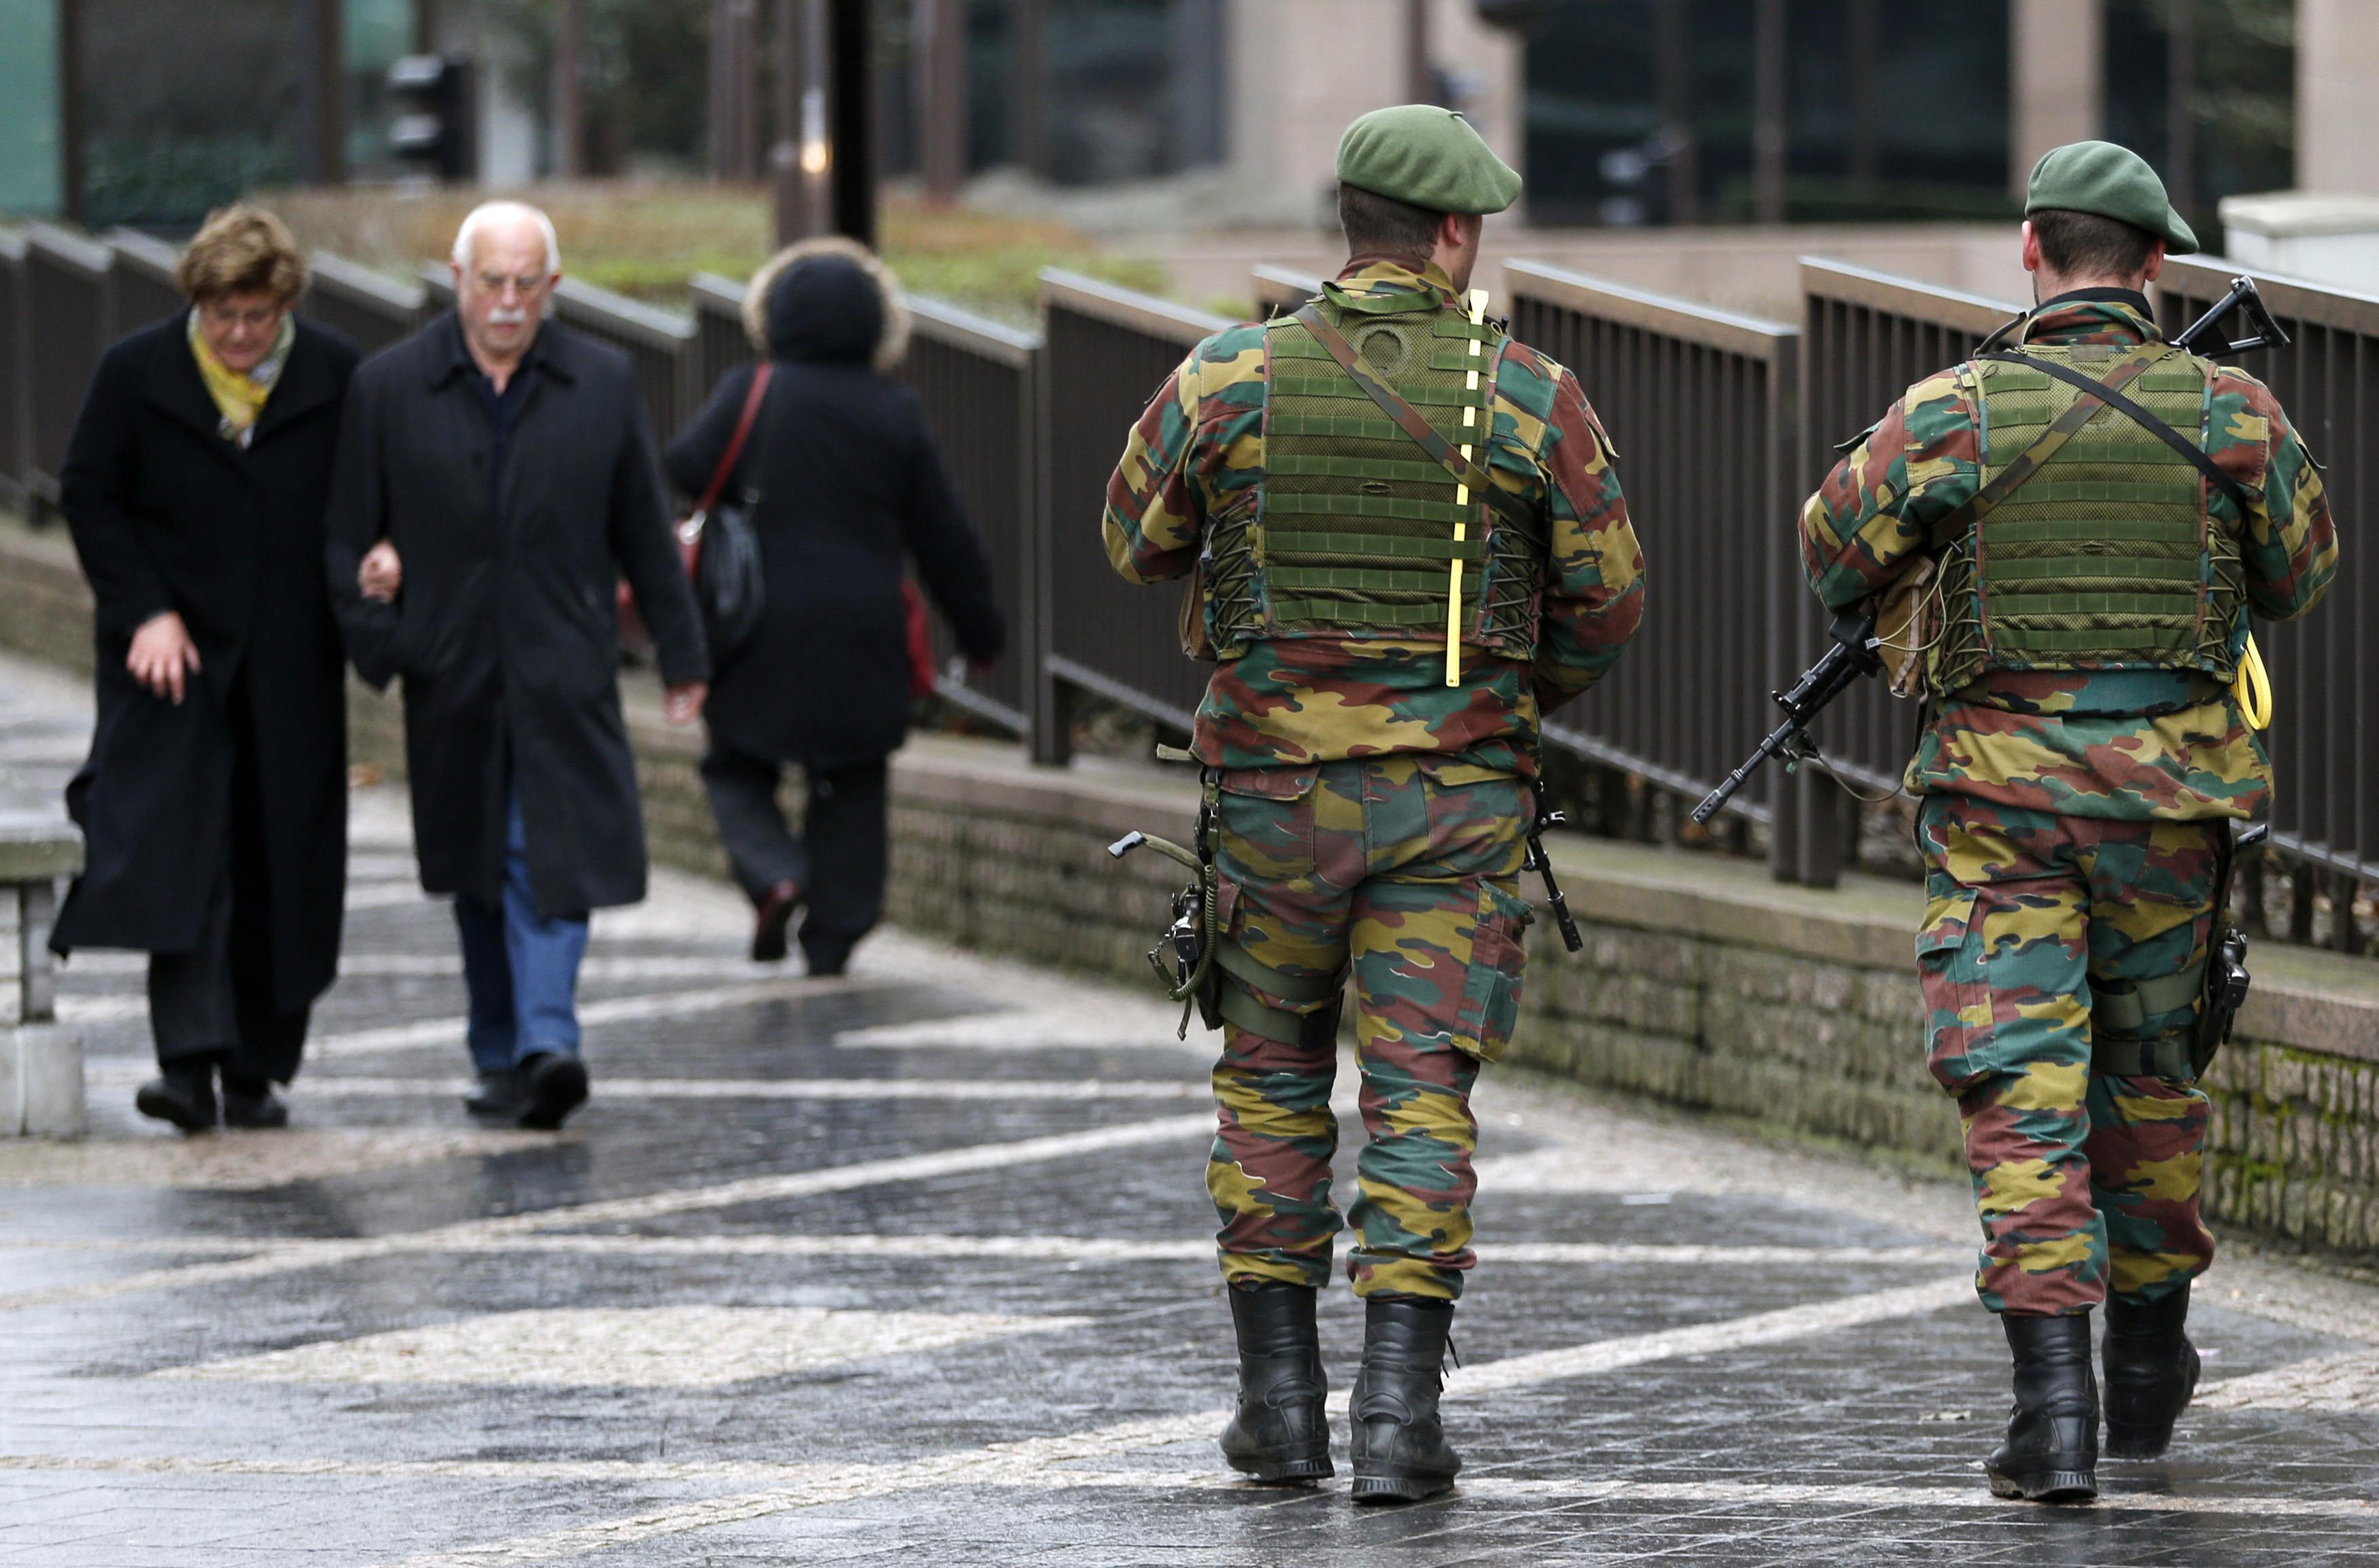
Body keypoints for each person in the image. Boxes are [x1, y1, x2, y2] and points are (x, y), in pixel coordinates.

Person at [1104, 106, 1645, 1502]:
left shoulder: (1229, 376)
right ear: (1454, 233)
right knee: (1420, 1094)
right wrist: (1501, 694)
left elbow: (1134, 541)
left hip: (1271, 804)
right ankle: (1401, 1418)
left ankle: (1279, 1410)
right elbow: (1609, 598)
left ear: (1349, 225)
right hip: (1453, 808)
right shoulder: (1528, 393)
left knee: (1269, 1083)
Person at [1800, 142, 2338, 1502]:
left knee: (2021, 1089)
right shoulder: (2231, 411)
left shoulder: (1952, 412)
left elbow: (1832, 554)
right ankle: (2146, 1373)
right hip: (2171, 810)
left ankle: (2052, 1412)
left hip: (1998, 808)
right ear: (2155, 262)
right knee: (2150, 1080)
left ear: (2029, 247)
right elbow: (2299, 575)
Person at [324, 201, 708, 1131]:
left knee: (550, 854)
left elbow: (643, 529)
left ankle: (547, 1041)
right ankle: (498, 1052)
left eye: (526, 285)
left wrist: (681, 654)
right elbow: (344, 538)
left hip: (562, 663)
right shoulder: (390, 386)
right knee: (477, 868)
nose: (507, 302)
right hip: (449, 672)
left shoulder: (601, 383)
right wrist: (389, 643)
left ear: (553, 287)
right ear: (458, 280)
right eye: (491, 282)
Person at [52, 206, 358, 1133]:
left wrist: (378, 564)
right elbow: (90, 494)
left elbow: (368, 496)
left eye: (257, 316)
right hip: (172, 665)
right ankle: (187, 1065)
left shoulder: (336, 376)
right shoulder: (137, 373)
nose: (238, 335)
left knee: (283, 857)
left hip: (292, 663)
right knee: (187, 854)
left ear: (285, 304)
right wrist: (144, 609)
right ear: (197, 304)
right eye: (222, 315)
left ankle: (258, 1066)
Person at [664, 237, 1002, 973]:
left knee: (734, 764)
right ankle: (834, 936)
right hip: (863, 627)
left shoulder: (751, 389)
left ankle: (774, 876)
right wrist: (980, 630)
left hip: (758, 624)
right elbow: (943, 535)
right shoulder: (894, 410)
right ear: (879, 323)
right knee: (852, 780)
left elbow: (685, 467)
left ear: (771, 316)